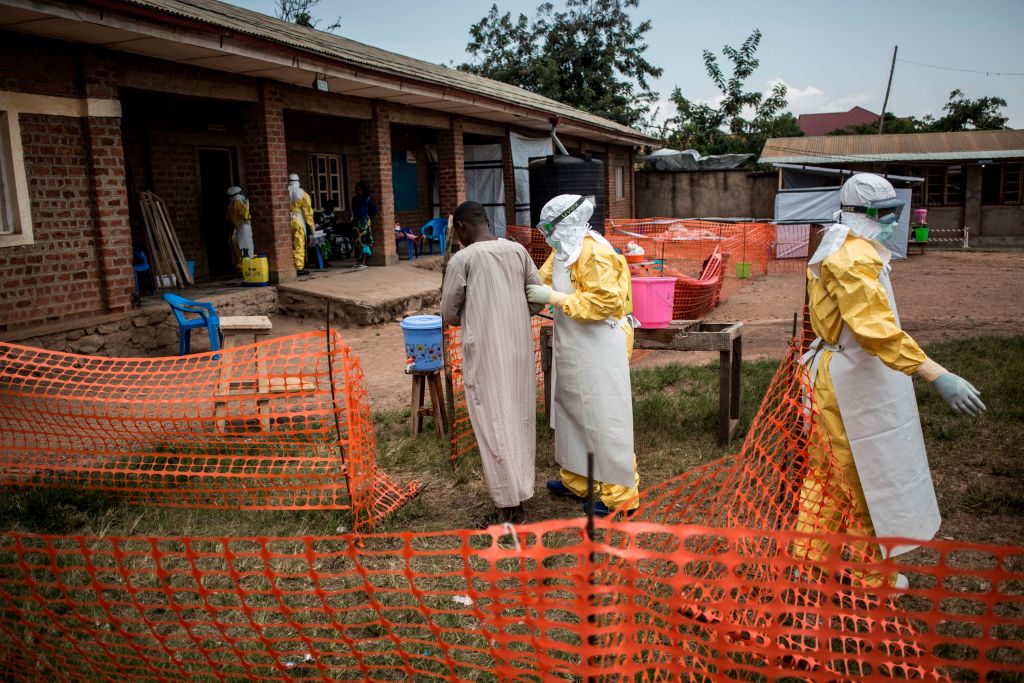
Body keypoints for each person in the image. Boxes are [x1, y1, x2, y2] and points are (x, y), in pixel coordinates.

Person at [797, 173, 986, 588]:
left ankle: (812, 561)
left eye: (893, 211)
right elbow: (875, 330)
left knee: (834, 472)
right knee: (859, 473)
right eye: (882, 213)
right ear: (857, 213)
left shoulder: (848, 245)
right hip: (848, 383)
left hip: (850, 373)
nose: (890, 221)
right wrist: (936, 373)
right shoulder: (850, 258)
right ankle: (868, 574)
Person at [525, 194, 640, 517]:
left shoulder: (595, 253)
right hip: (573, 345)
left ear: (566, 223)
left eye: (549, 227)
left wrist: (555, 299)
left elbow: (604, 303)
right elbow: (541, 280)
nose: (546, 234)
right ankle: (578, 479)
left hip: (600, 345)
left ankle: (622, 495)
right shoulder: (563, 252)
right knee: (572, 410)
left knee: (605, 418)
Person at [441, 202, 543, 527]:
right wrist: (513, 313)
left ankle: (510, 510)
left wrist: (478, 316)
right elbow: (538, 297)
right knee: (518, 418)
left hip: (486, 353)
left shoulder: (463, 259)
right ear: (486, 220)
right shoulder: (517, 251)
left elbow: (448, 313)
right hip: (519, 353)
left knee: (493, 423)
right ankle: (520, 494)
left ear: (461, 228)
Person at [288, 173, 314, 276]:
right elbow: (308, 213)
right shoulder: (303, 194)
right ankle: (299, 267)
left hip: (286, 221)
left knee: (289, 245)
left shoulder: (282, 192)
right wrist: (312, 228)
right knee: (299, 244)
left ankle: (290, 265)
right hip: (298, 220)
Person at [225, 186, 254, 271]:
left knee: (239, 252)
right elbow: (246, 216)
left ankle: (242, 269)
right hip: (244, 229)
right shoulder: (238, 203)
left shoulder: (231, 205)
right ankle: (247, 271)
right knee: (247, 251)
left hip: (236, 230)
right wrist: (248, 206)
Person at [351, 180, 378, 270]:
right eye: (357, 190)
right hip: (356, 224)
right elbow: (354, 211)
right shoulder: (354, 199)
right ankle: (358, 261)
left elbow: (375, 209)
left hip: (364, 224)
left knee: (365, 242)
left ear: (363, 190)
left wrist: (368, 217)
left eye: (360, 190)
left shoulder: (367, 199)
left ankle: (364, 261)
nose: (358, 192)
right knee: (357, 243)